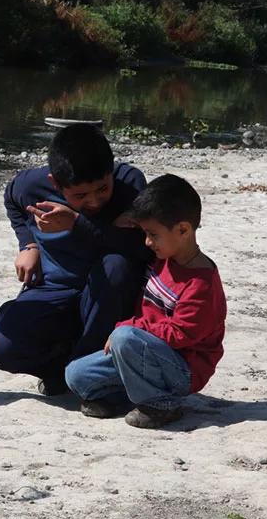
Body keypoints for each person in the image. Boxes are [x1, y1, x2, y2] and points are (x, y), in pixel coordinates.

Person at [0, 124, 152, 395]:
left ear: (111, 173)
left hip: (111, 296)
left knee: (115, 265)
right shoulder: (31, 185)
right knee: (1, 346)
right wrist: (28, 243)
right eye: (80, 195)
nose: (95, 201)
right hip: (55, 288)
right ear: (55, 184)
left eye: (102, 189)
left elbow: (141, 247)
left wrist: (76, 222)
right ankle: (63, 371)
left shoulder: (130, 184)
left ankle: (89, 375)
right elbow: (12, 197)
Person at [64, 174, 227, 428]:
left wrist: (132, 328)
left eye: (153, 234)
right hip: (142, 355)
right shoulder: (162, 258)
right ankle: (133, 395)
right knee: (75, 374)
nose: (147, 242)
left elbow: (180, 333)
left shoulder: (201, 284)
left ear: (183, 230)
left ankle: (161, 405)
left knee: (123, 337)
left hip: (182, 369)